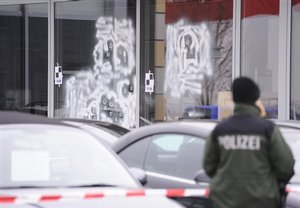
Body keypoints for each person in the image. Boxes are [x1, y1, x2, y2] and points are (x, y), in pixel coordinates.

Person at [203, 77, 295, 208]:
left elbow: (209, 166)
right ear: (255, 98)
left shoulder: (220, 130)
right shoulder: (267, 130)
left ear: (234, 99)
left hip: (225, 201)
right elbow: (286, 166)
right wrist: (271, 184)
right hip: (263, 201)